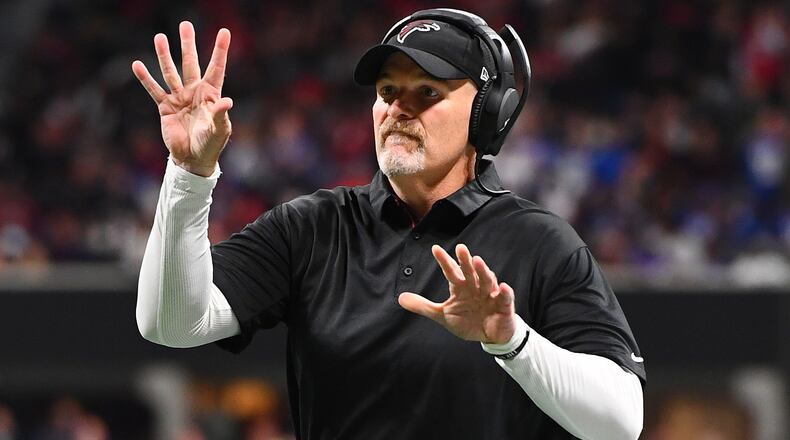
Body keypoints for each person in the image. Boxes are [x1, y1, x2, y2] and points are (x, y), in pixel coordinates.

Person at [133, 8, 645, 439]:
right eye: (386, 91)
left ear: (490, 114)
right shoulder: (313, 227)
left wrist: (511, 339)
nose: (397, 108)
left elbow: (622, 420)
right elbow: (170, 323)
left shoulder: (538, 242)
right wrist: (189, 174)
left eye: (426, 92)